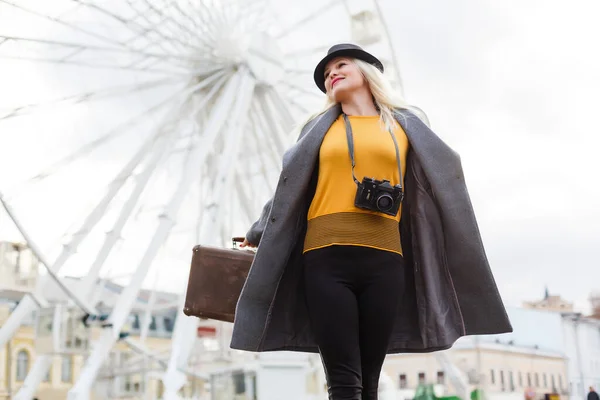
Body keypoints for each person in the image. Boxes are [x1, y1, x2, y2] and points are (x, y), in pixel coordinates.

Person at [231, 43, 512, 400]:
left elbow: (442, 178)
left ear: (366, 71)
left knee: (369, 380)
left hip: (386, 259)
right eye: (326, 73)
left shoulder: (406, 125)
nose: (332, 73)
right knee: (345, 381)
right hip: (324, 258)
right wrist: (259, 231)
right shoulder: (318, 129)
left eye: (341, 65)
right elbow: (288, 189)